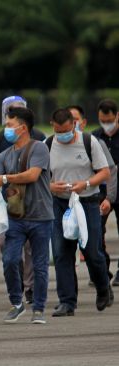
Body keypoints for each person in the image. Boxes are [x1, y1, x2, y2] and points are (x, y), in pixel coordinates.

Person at [0, 107, 53, 325]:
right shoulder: (5, 155)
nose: (6, 129)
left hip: (40, 216)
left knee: (40, 264)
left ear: (22, 127)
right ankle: (16, 303)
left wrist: (5, 179)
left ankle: (39, 307)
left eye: (9, 124)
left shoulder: (39, 149)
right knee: (9, 260)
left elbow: (32, 175)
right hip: (15, 217)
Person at [48, 108, 111, 316]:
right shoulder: (47, 145)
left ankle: (103, 289)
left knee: (92, 251)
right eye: (58, 131)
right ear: (52, 126)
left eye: (66, 131)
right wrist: (51, 187)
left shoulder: (88, 141)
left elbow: (105, 172)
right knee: (61, 252)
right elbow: (40, 178)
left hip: (87, 202)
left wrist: (86, 183)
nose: (62, 136)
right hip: (61, 204)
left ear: (73, 125)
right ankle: (67, 302)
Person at [70, 105, 116, 297]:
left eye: (75, 120)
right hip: (80, 200)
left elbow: (110, 172)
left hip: (102, 195)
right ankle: (99, 276)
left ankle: (104, 280)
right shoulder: (54, 143)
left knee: (94, 244)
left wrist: (109, 198)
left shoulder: (93, 142)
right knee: (75, 247)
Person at [91, 99, 119, 287]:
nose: (106, 123)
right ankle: (102, 270)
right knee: (96, 233)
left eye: (109, 120)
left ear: (117, 116)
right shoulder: (94, 137)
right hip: (101, 193)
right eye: (102, 120)